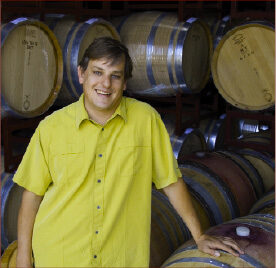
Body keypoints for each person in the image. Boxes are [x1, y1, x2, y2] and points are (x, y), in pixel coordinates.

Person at [14, 37, 244, 267]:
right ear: (81, 74)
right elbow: (32, 195)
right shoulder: (51, 127)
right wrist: (24, 257)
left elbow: (170, 182)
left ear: (124, 83)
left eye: (115, 76)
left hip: (121, 259)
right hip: (60, 256)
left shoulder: (146, 119)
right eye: (97, 72)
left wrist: (200, 236)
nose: (105, 84)